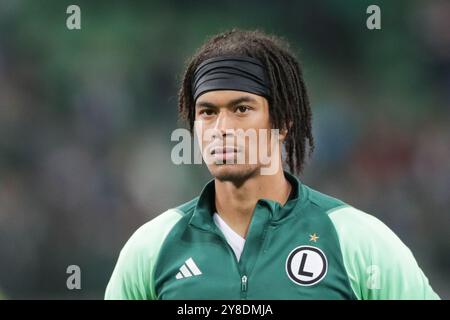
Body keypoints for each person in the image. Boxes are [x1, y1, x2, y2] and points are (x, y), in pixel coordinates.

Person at [105, 29, 439, 300]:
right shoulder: (151, 249)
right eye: (207, 112)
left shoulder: (358, 243)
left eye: (241, 109)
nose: (221, 129)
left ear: (282, 122)